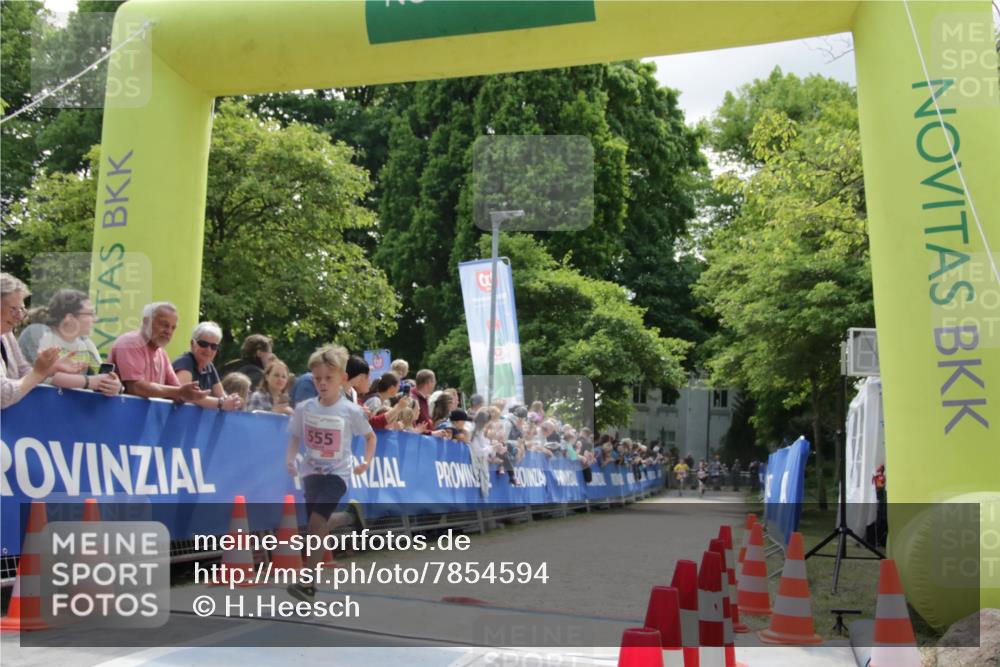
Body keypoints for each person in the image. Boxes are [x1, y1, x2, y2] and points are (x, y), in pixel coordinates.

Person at [285, 345, 375, 603]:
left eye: (329, 378)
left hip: (338, 474)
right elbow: (294, 436)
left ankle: (307, 582)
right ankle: (348, 517)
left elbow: (370, 438)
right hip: (311, 473)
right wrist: (290, 459)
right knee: (317, 525)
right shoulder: (305, 408)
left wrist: (366, 462)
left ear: (343, 379)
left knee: (315, 524)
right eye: (317, 379)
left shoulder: (351, 410)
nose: (322, 384)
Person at [1, 274, 87, 408]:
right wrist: (39, 373)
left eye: (22, 309)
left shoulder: (6, 334)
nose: (19, 317)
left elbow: (23, 370)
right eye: (13, 309)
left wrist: (48, 369)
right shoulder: (32, 331)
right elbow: (3, 395)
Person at [108, 302, 208, 403]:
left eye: (173, 328)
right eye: (164, 325)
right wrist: (179, 392)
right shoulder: (130, 343)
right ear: (146, 321)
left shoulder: (161, 353)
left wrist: (190, 394)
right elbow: (135, 388)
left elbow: (176, 389)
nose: (168, 331)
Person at [35, 289, 122, 395]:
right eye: (90, 314)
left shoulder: (86, 343)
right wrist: (88, 382)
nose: (95, 319)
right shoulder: (43, 337)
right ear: (70, 318)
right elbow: (39, 375)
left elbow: (102, 377)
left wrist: (116, 386)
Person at [172, 321, 242, 411]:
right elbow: (186, 394)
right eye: (203, 344)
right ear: (192, 344)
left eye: (214, 346)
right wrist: (221, 403)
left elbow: (221, 395)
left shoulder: (209, 367)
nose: (208, 349)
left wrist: (232, 401)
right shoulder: (185, 362)